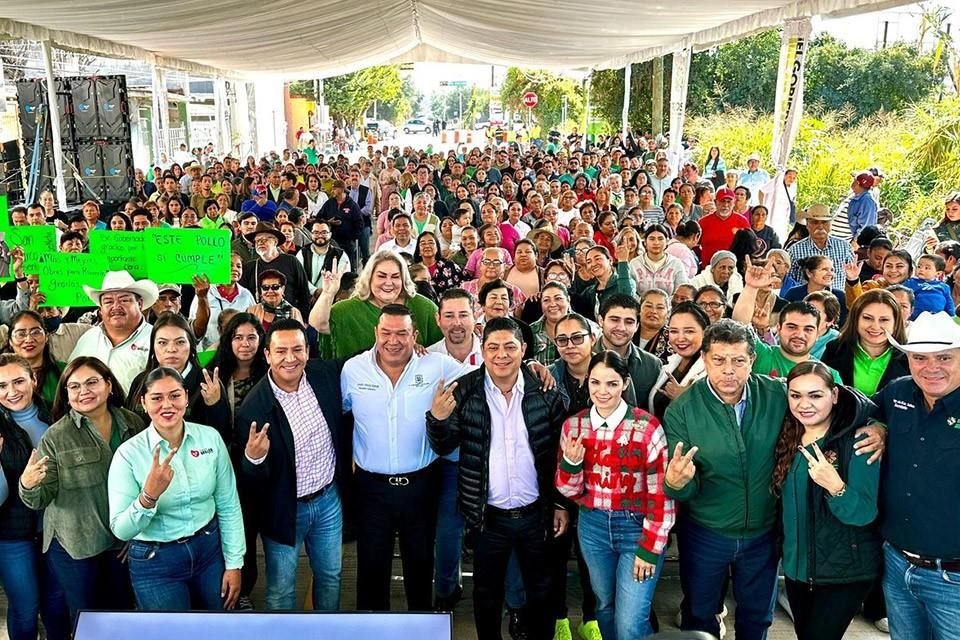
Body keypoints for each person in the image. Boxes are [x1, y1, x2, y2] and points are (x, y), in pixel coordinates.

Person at [426, 317, 569, 640]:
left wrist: (560, 503)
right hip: (487, 517)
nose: (501, 355)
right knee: (486, 594)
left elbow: (558, 455)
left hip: (536, 514)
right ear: (483, 350)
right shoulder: (464, 390)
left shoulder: (544, 390)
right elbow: (444, 445)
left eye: (509, 346)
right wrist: (437, 418)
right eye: (493, 347)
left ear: (524, 349)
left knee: (540, 592)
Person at [662, 319, 786, 639]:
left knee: (757, 619)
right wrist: (676, 482)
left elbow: (831, 400)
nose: (728, 370)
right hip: (706, 534)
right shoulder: (683, 410)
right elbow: (682, 487)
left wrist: (876, 426)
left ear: (752, 360)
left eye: (738, 361)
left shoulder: (776, 394)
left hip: (762, 533)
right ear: (704, 359)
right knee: (700, 616)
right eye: (719, 360)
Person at [341, 304, 468, 611]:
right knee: (371, 570)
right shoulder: (353, 370)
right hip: (371, 488)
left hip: (421, 485)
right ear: (375, 333)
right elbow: (342, 413)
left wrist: (530, 366)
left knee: (421, 569)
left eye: (402, 333)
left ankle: (420, 628)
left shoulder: (438, 365)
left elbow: (484, 376)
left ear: (415, 335)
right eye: (386, 332)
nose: (393, 340)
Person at [555, 350, 675, 640]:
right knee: (605, 606)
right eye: (595, 383)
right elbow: (569, 490)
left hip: (636, 527)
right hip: (592, 525)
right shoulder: (574, 425)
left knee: (631, 621)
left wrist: (649, 547)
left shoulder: (647, 427)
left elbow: (661, 495)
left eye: (611, 383)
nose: (602, 391)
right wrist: (570, 464)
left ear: (625, 383)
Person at [234, 319, 350, 611]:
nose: (290, 358)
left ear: (308, 351)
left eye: (297, 349)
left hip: (327, 502)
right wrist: (254, 458)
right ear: (267, 355)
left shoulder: (325, 375)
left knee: (331, 576)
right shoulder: (253, 408)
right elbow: (250, 482)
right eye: (281, 351)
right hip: (285, 510)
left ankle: (326, 633)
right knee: (281, 590)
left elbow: (366, 359)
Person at [107, 367, 244, 610]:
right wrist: (148, 496)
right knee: (171, 632)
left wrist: (234, 563)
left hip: (208, 551)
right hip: (156, 561)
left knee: (218, 628)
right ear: (143, 403)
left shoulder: (210, 438)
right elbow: (122, 530)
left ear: (186, 397)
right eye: (157, 398)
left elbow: (228, 504)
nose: (167, 405)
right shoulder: (128, 455)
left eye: (174, 395)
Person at [19, 357, 142, 625]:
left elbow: (146, 486)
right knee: (87, 620)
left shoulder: (134, 424)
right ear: (66, 394)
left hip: (121, 542)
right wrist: (27, 484)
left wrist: (136, 533)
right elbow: (39, 499)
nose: (83, 391)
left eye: (91, 382)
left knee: (121, 615)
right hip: (75, 544)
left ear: (109, 385)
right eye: (73, 387)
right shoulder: (56, 436)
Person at [772, 361, 881, 640]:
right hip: (798, 572)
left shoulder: (858, 441)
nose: (804, 404)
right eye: (795, 395)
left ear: (834, 395)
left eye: (815, 395)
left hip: (843, 573)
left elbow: (864, 512)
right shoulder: (788, 434)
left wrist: (835, 486)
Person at [872, 311, 960, 639]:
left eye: (944, 357)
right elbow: (862, 410)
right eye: (919, 357)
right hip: (896, 566)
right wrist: (877, 426)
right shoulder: (897, 393)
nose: (930, 367)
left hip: (953, 580)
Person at [0, 354, 70, 640]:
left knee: (56, 605)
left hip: (54, 532)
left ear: (34, 380)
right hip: (11, 536)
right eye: (2, 386)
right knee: (26, 608)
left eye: (18, 381)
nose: (11, 391)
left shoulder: (56, 416)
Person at [311, 250, 442, 359]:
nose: (389, 282)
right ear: (369, 278)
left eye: (395, 276)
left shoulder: (423, 307)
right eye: (382, 276)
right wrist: (328, 293)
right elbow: (318, 324)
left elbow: (445, 343)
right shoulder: (349, 309)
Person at [124, 313, 231, 441]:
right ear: (153, 346)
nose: (171, 349)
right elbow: (130, 428)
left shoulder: (208, 382)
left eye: (180, 342)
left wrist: (215, 406)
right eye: (162, 342)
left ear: (191, 345)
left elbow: (223, 436)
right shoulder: (141, 382)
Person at [734, 261, 842, 381]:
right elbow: (739, 326)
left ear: (817, 334)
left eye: (808, 329)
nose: (799, 334)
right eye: (792, 327)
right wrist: (751, 287)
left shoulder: (830, 377)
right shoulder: (761, 355)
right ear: (779, 328)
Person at [69, 271, 159, 394]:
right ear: (100, 309)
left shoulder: (157, 339)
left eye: (124, 300)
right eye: (108, 301)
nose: (116, 306)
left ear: (139, 304)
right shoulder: (88, 339)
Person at [821, 289, 909, 396]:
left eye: (884, 320)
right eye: (867, 318)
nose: (875, 326)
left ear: (896, 323)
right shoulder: (834, 349)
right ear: (855, 319)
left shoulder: (910, 357)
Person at [649, 302, 711, 418]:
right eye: (674, 331)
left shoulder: (712, 371)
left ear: (705, 332)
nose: (680, 338)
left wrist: (687, 400)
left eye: (689, 331)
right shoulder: (670, 364)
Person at [239, 222, 311, 318]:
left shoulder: (291, 261)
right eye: (257, 240)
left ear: (275, 242)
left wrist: (304, 319)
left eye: (265, 239)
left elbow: (304, 293)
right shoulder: (250, 268)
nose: (260, 242)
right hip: (260, 322)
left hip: (289, 320)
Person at [189, 253, 257, 350]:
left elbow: (253, 325)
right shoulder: (204, 292)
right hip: (208, 354)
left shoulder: (246, 295)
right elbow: (194, 329)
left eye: (239, 266)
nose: (235, 269)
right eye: (230, 265)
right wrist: (202, 297)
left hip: (238, 353)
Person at [787, 204, 855, 291]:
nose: (820, 226)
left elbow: (851, 277)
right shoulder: (795, 250)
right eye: (815, 222)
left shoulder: (845, 247)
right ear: (807, 225)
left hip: (837, 300)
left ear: (830, 224)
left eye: (824, 222)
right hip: (807, 301)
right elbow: (790, 280)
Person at [5, 310, 61, 405]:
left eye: (35, 332)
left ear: (46, 337)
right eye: (21, 334)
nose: (29, 339)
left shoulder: (64, 371)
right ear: (10, 341)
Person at [783, 256, 849, 327]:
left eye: (832, 270)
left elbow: (844, 324)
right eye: (824, 269)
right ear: (809, 273)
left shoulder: (840, 296)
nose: (830, 274)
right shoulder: (793, 293)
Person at [630, 223, 689, 297]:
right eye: (652, 239)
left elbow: (681, 291)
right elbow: (632, 293)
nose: (656, 243)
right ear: (645, 242)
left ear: (667, 241)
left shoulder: (676, 264)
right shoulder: (634, 263)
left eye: (660, 239)